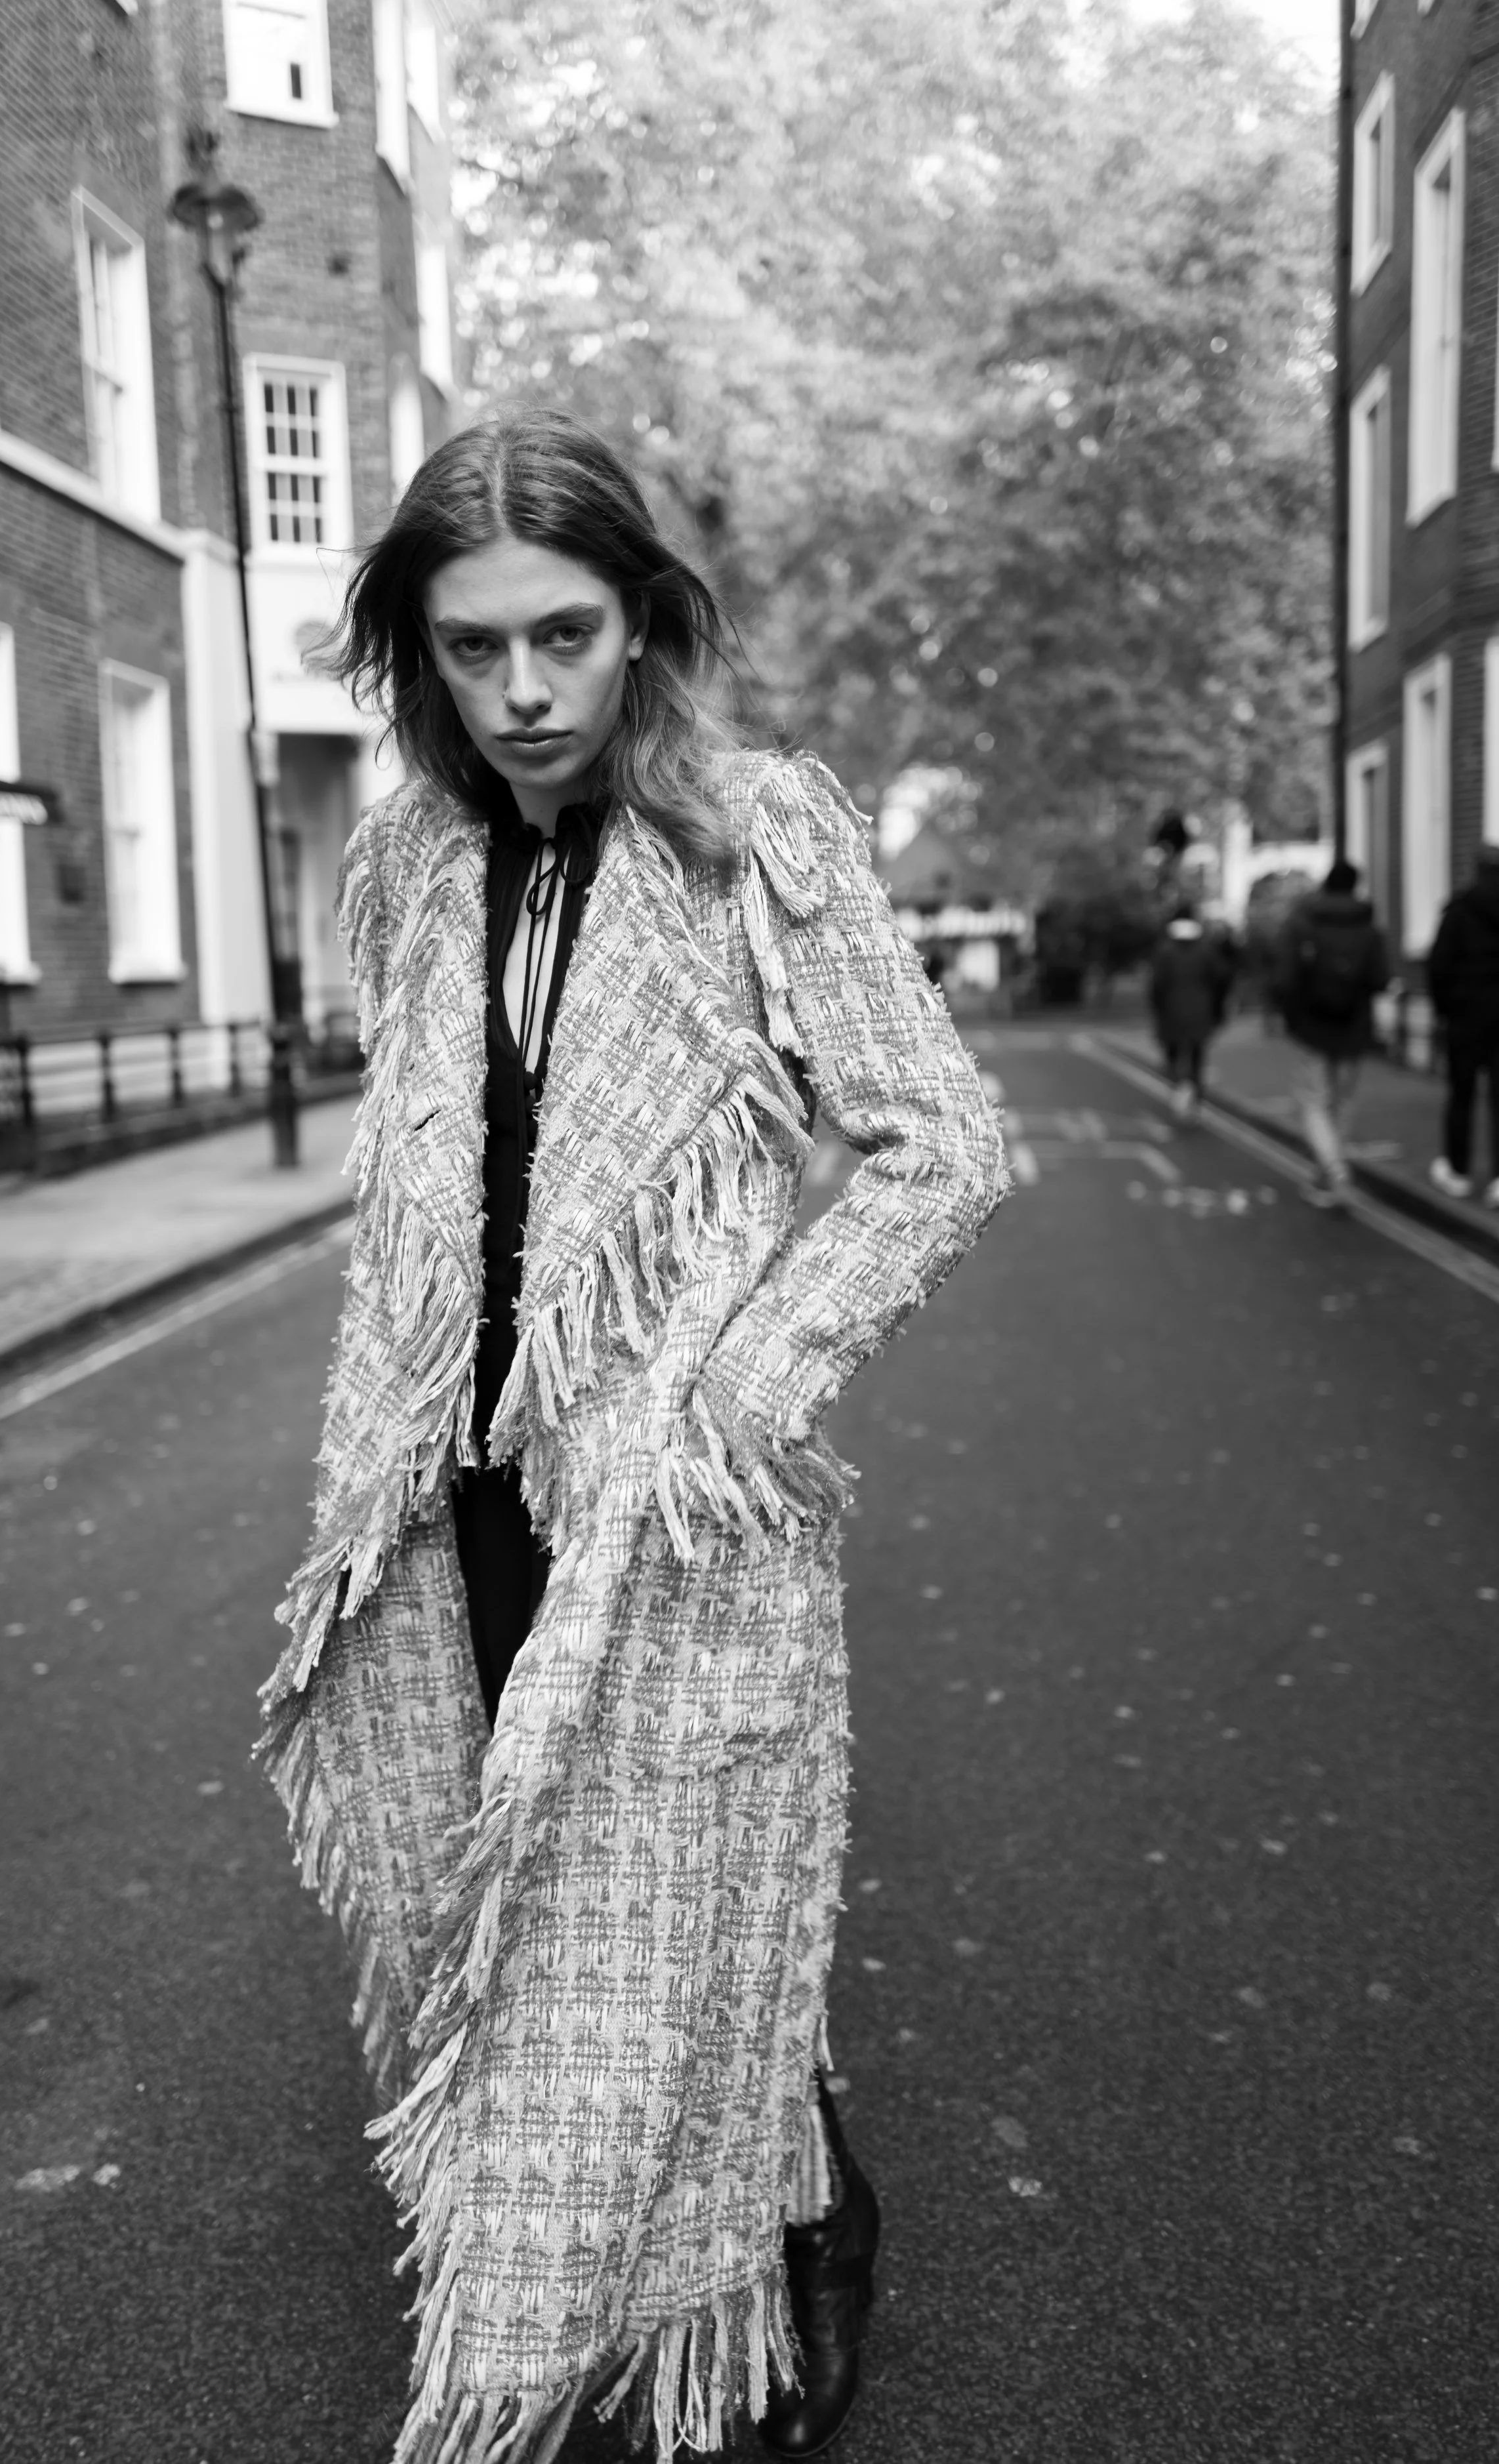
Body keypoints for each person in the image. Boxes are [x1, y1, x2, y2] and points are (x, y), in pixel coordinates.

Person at [256, 409, 1008, 2464]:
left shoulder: (757, 831)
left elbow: (936, 1141)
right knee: (513, 1892)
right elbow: (415, 1175)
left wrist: (749, 1385)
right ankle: (598, 2237)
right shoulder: (408, 852)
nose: (519, 693)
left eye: (562, 637)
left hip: (666, 1504)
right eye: (471, 646)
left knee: (686, 1897)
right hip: (445, 1505)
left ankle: (786, 2216)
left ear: (640, 626)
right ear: (414, 652)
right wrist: (374, 1443)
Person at [1272, 857, 1389, 1209]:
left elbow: (1284, 979)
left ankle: (1334, 1170)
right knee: (1341, 1101)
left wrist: (1291, 1015)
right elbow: (1380, 979)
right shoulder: (1370, 929)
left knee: (1313, 1102)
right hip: (1354, 1027)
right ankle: (1329, 1170)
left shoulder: (1303, 924)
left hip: (1313, 1027)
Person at [1426, 843, 1499, 1204]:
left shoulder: (1459, 912)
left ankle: (1458, 1171)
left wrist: (1444, 1011)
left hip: (1466, 1017)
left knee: (1462, 1095)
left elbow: (1438, 967)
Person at [1147, 897, 1237, 1118]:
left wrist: (1158, 1008)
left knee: (1173, 1055)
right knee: (1197, 1057)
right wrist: (1217, 1006)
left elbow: (1156, 986)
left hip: (1171, 1013)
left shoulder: (1165, 950)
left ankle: (1181, 1089)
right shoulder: (1205, 950)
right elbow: (1223, 977)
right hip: (1201, 1013)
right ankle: (1192, 1096)